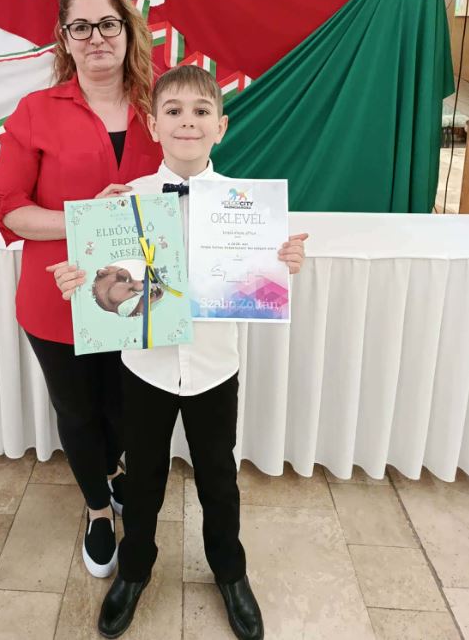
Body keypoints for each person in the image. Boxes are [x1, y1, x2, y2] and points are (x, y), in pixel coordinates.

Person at [51, 65, 307, 640]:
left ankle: (230, 572)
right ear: (153, 124)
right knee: (143, 478)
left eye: (200, 111)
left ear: (221, 126)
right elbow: (103, 279)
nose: (187, 121)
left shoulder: (250, 206)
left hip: (215, 368)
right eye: (173, 111)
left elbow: (259, 284)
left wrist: (283, 264)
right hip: (146, 369)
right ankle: (135, 570)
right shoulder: (123, 201)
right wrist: (78, 278)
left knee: (219, 476)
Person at [0, 0, 162, 579]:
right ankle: (97, 508)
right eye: (80, 27)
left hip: (140, 295)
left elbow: (190, 181)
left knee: (126, 408)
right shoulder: (36, 112)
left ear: (128, 29)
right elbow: (8, 207)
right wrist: (87, 219)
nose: (95, 38)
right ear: (64, 38)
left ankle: (115, 472)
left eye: (107, 23)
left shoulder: (159, 104)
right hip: (56, 297)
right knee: (79, 411)